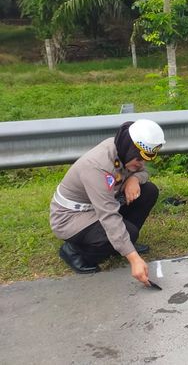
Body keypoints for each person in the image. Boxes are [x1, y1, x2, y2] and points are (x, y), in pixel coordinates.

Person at [50, 119, 165, 286]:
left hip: (98, 205)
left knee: (148, 191)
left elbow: (143, 172)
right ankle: (75, 252)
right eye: (139, 159)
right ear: (129, 148)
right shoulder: (97, 166)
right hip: (71, 217)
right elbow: (108, 215)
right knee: (128, 233)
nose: (142, 163)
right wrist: (133, 258)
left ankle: (122, 244)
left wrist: (134, 179)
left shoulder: (123, 150)